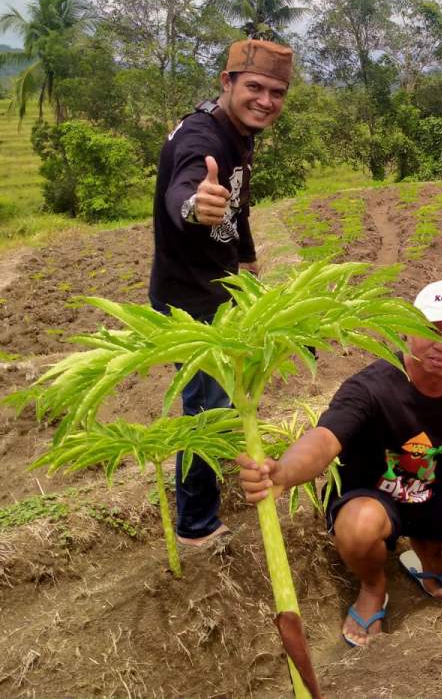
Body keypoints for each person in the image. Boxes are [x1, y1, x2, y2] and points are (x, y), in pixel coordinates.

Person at [237, 279, 442, 648]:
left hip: (433, 491)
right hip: (369, 496)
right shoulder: (372, 386)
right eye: (430, 330)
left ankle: (426, 547)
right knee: (361, 525)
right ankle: (373, 586)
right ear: (405, 330)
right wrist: (282, 472)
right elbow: (325, 439)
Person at [149, 38, 292, 551]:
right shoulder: (202, 136)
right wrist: (196, 206)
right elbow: (185, 190)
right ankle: (195, 525)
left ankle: (204, 501)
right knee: (207, 414)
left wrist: (248, 260)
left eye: (277, 92)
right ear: (226, 82)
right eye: (254, 87)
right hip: (190, 300)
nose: (266, 100)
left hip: (219, 290)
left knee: (220, 405)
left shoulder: (239, 132)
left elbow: (238, 205)